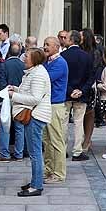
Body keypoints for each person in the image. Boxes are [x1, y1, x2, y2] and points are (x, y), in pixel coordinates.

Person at [10, 47, 52, 196]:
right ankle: (36, 180)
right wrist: (14, 89)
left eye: (27, 56)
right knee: (34, 152)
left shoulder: (38, 74)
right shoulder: (33, 72)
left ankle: (36, 186)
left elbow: (35, 98)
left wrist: (12, 96)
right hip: (34, 115)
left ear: (34, 59)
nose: (24, 58)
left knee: (35, 153)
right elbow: (28, 92)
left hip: (36, 115)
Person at [41, 37, 69, 183]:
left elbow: (45, 79)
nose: (44, 47)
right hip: (47, 105)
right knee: (47, 140)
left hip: (55, 105)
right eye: (44, 44)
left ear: (57, 47)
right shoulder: (47, 62)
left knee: (56, 140)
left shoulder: (60, 63)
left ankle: (59, 173)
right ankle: (48, 169)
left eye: (47, 45)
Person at [63, 30, 94, 162]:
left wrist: (70, 91)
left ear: (70, 40)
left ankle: (62, 150)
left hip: (66, 94)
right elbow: (91, 76)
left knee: (63, 123)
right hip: (81, 94)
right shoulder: (86, 56)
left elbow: (62, 77)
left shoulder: (63, 55)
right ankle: (77, 151)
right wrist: (81, 90)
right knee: (78, 123)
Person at [2, 42, 26, 161]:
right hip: (20, 98)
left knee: (5, 126)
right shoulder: (24, 65)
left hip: (7, 98)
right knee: (19, 127)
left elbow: (1, 83)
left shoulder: (4, 65)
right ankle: (19, 153)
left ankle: (5, 153)